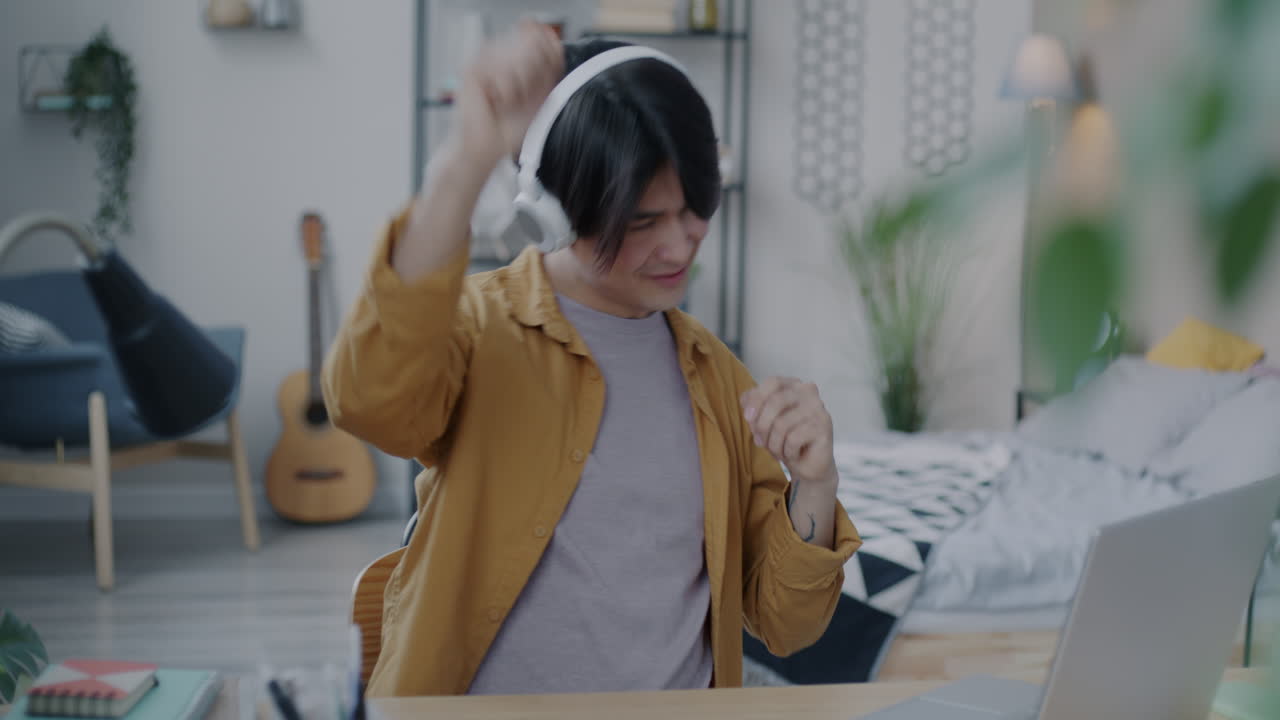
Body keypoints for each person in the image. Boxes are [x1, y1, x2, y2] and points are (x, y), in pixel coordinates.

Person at [323, 20, 861, 698]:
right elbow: (367, 402)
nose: (678, 245)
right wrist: (468, 157)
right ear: (551, 212)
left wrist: (815, 483)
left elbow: (786, 624)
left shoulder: (718, 379)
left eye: (695, 208)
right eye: (641, 222)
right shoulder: (478, 330)